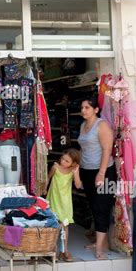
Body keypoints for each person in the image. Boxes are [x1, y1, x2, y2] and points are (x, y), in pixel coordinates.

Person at [78, 94, 116, 260]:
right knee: (93, 205)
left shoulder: (102, 126)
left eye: (87, 107)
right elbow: (83, 149)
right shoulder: (83, 125)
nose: (83, 111)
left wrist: (101, 173)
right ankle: (103, 242)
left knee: (102, 206)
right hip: (87, 170)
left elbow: (107, 150)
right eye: (82, 108)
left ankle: (100, 248)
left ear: (96, 109)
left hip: (104, 171)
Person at [46, 149, 82, 262]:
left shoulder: (73, 170)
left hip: (65, 202)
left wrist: (76, 173)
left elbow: (78, 185)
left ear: (74, 163)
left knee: (65, 226)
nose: (63, 162)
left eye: (67, 161)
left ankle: (64, 250)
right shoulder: (55, 167)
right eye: (63, 158)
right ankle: (53, 249)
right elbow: (48, 177)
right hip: (54, 199)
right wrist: (42, 190)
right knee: (53, 225)